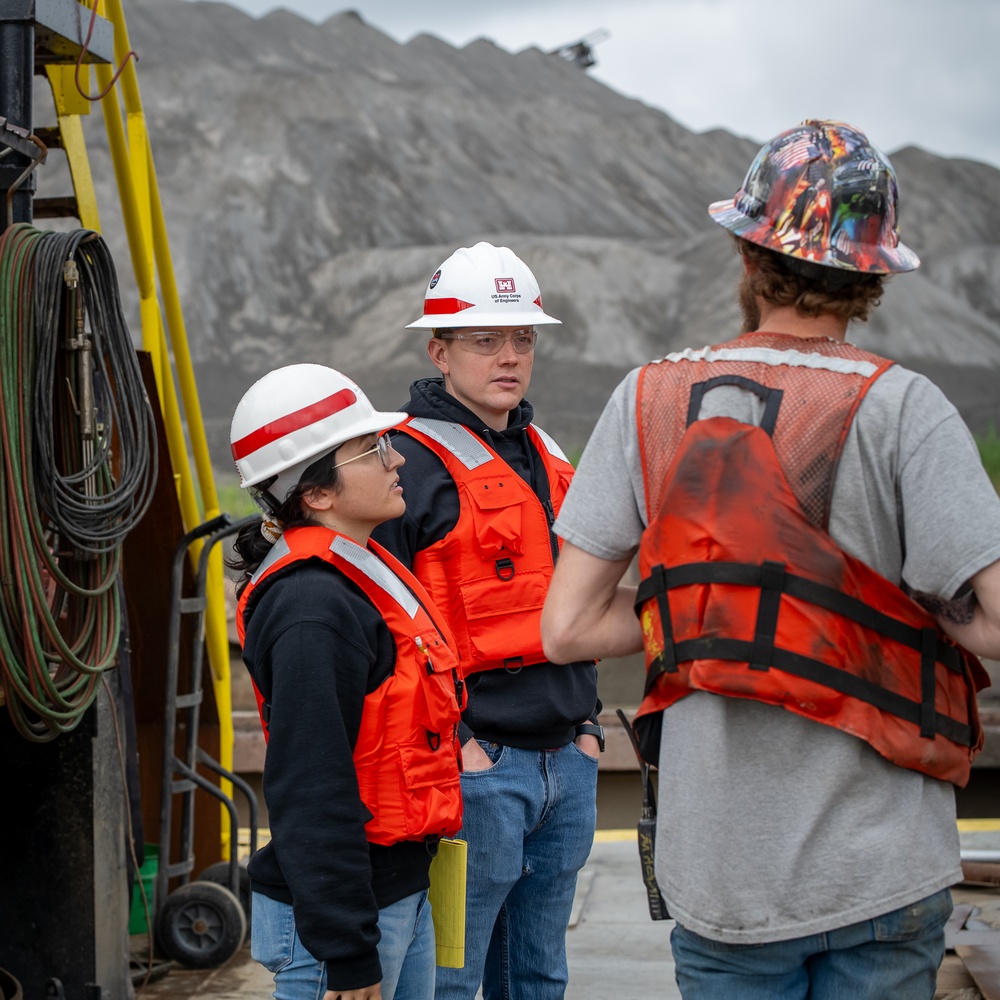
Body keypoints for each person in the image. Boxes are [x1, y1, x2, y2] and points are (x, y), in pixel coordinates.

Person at [540, 119, 1000, 1000]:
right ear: (871, 275)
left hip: (721, 877)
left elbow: (566, 630)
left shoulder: (646, 396)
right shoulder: (907, 407)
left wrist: (701, 604)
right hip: (885, 868)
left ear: (749, 256)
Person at [370, 242, 602, 1000]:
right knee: (449, 979)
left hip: (566, 758)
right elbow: (384, 627)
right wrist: (464, 746)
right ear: (439, 350)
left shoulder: (549, 452)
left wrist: (591, 725)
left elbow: (576, 595)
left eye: (523, 338)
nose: (510, 356)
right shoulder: (401, 468)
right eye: (485, 340)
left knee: (539, 977)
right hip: (478, 768)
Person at [228, 363, 466, 1000]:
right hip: (344, 925)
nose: (396, 462)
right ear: (316, 494)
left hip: (391, 892)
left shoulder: (359, 572)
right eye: (371, 449)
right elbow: (311, 783)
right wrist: (348, 952)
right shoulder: (312, 607)